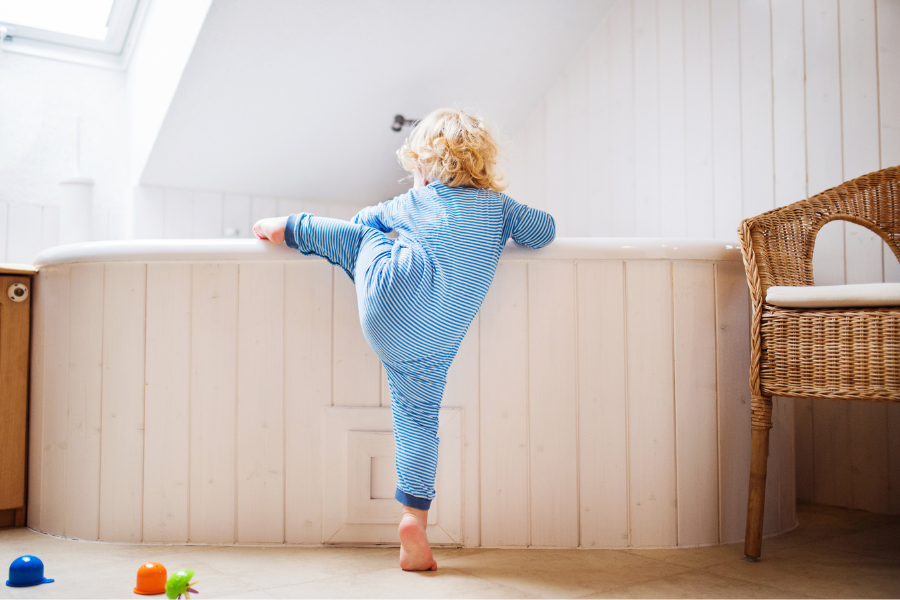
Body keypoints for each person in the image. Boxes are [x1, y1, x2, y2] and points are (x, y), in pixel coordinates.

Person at [253, 108, 555, 570]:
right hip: (433, 341)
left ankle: (290, 227)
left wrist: (409, 217)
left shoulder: (415, 203)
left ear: (424, 166)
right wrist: (504, 217)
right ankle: (414, 518)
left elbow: (361, 223)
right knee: (418, 420)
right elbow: (545, 231)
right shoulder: (500, 209)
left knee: (357, 243)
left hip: (386, 309)